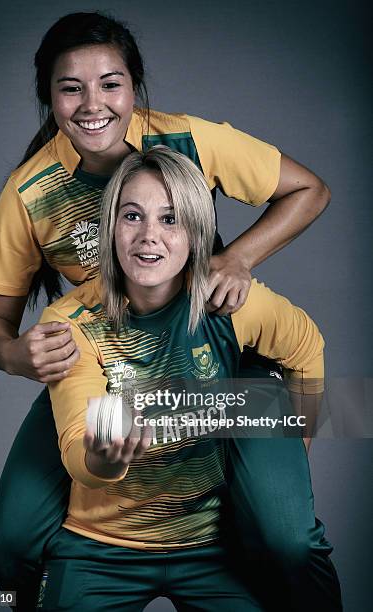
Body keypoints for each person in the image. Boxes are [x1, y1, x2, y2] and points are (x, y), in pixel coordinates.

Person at [0, 12, 332, 609]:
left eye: (110, 83)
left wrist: (235, 259)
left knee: (284, 536)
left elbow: (309, 189)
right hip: (109, 364)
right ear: (48, 99)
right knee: (9, 542)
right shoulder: (30, 192)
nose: (93, 104)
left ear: (134, 88)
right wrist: (13, 352)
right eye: (70, 87)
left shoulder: (192, 140)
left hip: (220, 360)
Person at [36, 146, 341, 611]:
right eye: (132, 216)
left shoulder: (229, 302)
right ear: (109, 227)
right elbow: (80, 448)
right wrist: (102, 457)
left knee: (292, 545)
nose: (149, 237)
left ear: (197, 233)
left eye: (171, 220)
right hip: (102, 548)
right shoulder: (72, 320)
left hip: (214, 548)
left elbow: (307, 348)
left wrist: (298, 445)